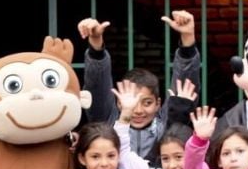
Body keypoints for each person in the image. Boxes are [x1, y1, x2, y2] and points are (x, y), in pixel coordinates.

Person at [79, 10, 201, 161]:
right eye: (131, 102)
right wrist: (96, 45)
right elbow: (96, 87)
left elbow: (183, 89)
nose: (138, 111)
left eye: (147, 103)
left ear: (158, 104)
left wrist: (187, 39)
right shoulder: (108, 123)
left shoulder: (166, 125)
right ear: (118, 102)